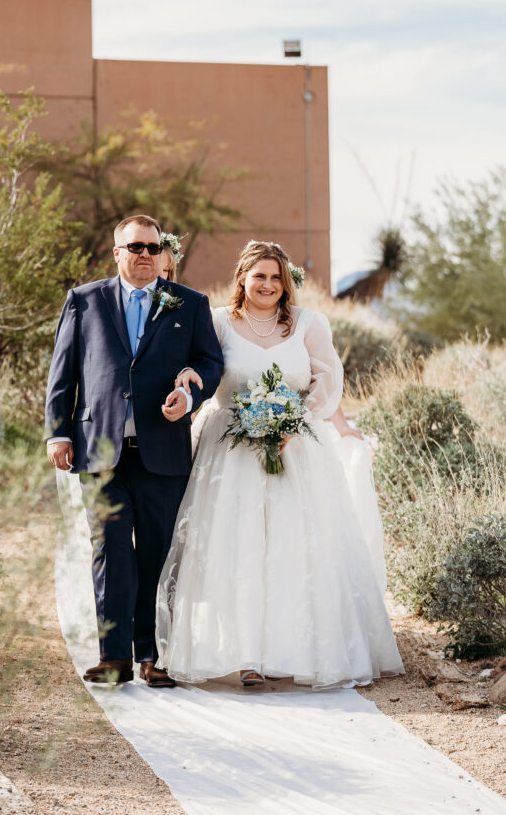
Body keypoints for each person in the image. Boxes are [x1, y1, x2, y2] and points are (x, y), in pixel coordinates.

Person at [156, 239, 404, 688]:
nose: (268, 284)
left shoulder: (310, 324)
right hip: (229, 452)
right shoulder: (216, 322)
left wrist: (298, 420)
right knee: (237, 548)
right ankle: (244, 655)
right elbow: (201, 372)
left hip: (296, 450)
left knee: (292, 548)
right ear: (243, 279)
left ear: (286, 282)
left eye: (276, 277)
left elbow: (327, 380)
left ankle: (289, 649)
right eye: (259, 276)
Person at [46, 214, 224, 688]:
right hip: (100, 451)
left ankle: (152, 655)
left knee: (156, 555)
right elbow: (63, 373)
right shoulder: (84, 301)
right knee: (110, 553)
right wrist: (57, 432)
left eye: (152, 246)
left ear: (162, 253)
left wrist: (189, 396)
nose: (144, 254)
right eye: (135, 246)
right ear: (117, 252)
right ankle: (114, 657)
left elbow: (210, 362)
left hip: (162, 453)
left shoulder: (190, 303)